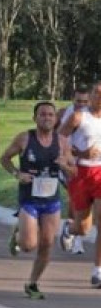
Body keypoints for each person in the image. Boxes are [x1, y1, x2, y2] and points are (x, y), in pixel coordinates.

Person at [0, 101, 68, 299]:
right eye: (43, 114)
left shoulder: (62, 142)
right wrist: (17, 173)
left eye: (50, 115)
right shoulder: (24, 138)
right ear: (35, 118)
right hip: (29, 198)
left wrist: (66, 166)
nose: (47, 118)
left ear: (55, 119)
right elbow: (4, 159)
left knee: (47, 243)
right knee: (29, 245)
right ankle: (18, 233)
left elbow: (73, 169)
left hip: (52, 200)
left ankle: (33, 283)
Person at [58, 81, 101, 288]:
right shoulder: (78, 117)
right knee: (83, 228)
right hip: (81, 172)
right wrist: (75, 154)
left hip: (100, 172)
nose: (99, 97)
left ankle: (97, 271)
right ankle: (70, 228)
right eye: (96, 93)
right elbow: (61, 137)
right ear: (91, 95)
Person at [56, 85, 90, 255]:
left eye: (85, 102)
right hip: (69, 165)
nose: (82, 105)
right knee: (76, 198)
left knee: (83, 202)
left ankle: (70, 228)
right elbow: (55, 137)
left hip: (90, 165)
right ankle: (77, 240)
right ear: (72, 99)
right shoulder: (64, 114)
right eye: (78, 101)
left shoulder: (93, 116)